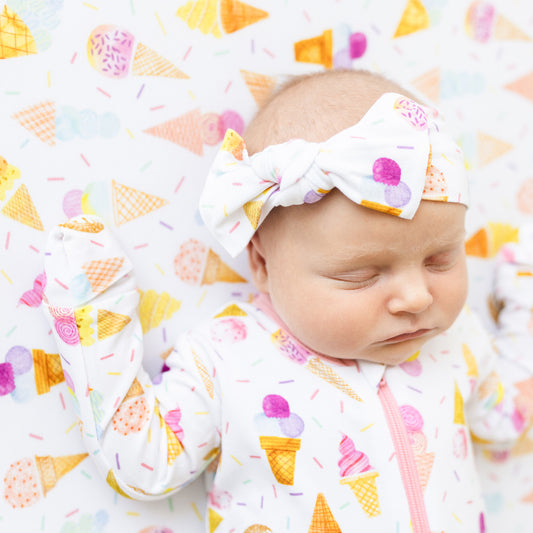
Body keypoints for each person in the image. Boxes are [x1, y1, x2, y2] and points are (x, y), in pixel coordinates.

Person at [42, 69, 533, 533]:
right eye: (361, 274)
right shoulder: (228, 358)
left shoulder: (455, 341)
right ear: (262, 264)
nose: (417, 296)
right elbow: (145, 463)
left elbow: (505, 416)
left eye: (441, 259)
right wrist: (94, 311)